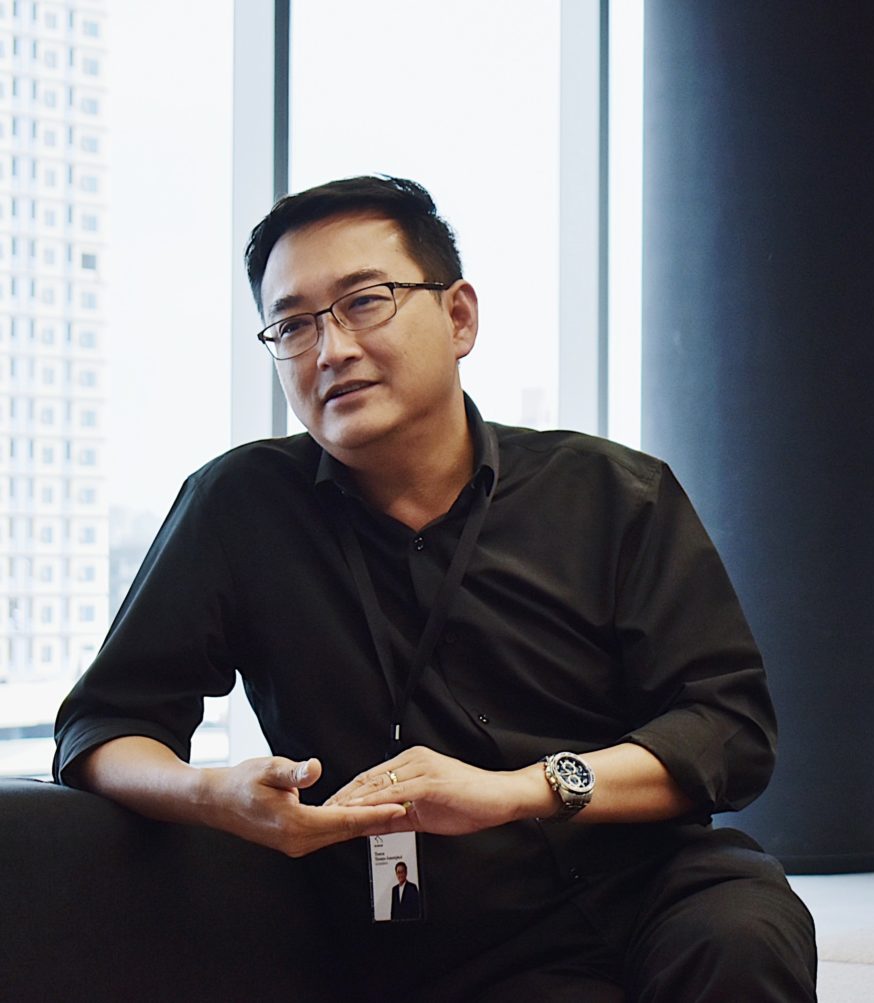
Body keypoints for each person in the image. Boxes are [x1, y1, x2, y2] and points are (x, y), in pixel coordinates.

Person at [53, 176, 817, 1001]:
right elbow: (102, 730)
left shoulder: (611, 493)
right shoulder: (239, 508)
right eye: (294, 324)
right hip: (450, 940)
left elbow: (730, 727)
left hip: (657, 882)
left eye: (364, 302)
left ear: (459, 317)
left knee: (743, 941)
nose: (330, 349)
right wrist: (216, 793)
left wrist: (518, 791)